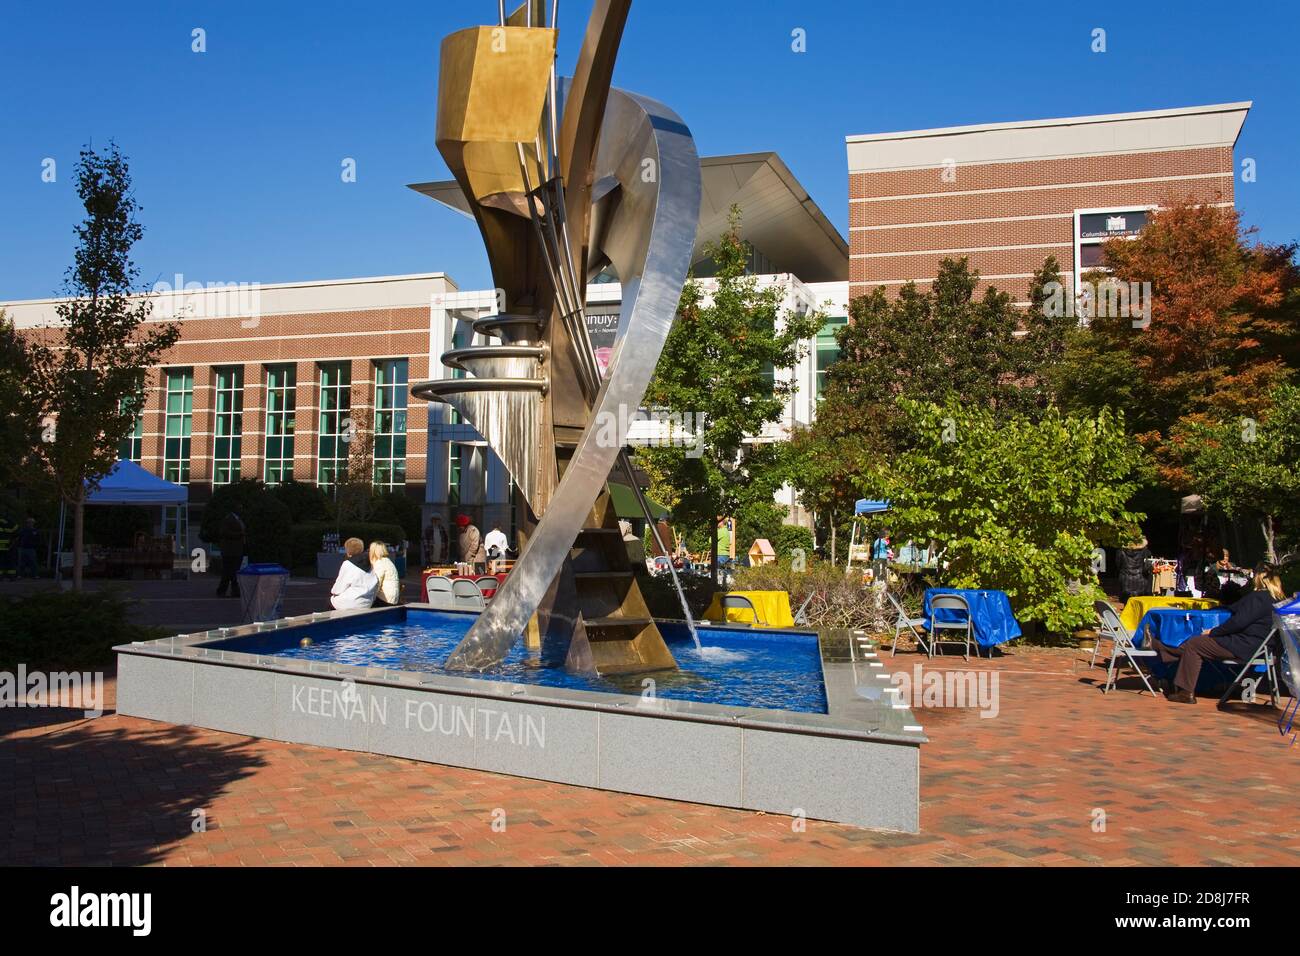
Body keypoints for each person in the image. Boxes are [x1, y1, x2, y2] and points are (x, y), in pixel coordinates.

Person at [1151, 563, 1286, 704]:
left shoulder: (1258, 597)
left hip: (1246, 646)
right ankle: (1158, 646)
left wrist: (1214, 632)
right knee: (1193, 645)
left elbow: (1237, 623)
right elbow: (1237, 610)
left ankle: (1185, 692)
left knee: (1194, 643)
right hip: (1262, 647)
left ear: (1259, 578)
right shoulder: (1277, 599)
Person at [330, 537, 378, 610]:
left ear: (348, 551)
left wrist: (334, 592)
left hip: (351, 603)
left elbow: (339, 586)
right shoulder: (371, 563)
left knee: (330, 601)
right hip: (367, 603)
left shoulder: (348, 564)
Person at [216, 509, 246, 598]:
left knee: (234, 572)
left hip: (237, 550)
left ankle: (234, 591)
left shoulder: (238, 519)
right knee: (228, 571)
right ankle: (222, 591)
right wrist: (240, 534)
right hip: (230, 551)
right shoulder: (229, 519)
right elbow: (224, 532)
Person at [1116, 532, 1151, 602]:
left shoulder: (1121, 551)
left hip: (1125, 580)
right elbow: (1147, 566)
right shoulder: (1145, 551)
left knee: (1126, 605)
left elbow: (1118, 565)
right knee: (1139, 604)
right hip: (1141, 580)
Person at [368, 541, 401, 605]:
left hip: (385, 599)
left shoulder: (380, 563)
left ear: (373, 552)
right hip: (392, 598)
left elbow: (376, 583)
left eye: (370, 550)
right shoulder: (387, 561)